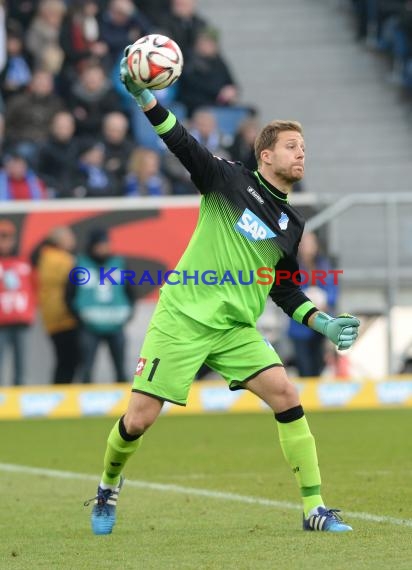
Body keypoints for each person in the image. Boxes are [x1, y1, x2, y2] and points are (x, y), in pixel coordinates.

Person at [84, 50, 360, 535]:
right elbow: (182, 143)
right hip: (184, 318)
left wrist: (323, 321)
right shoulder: (228, 179)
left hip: (234, 329)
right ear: (266, 154)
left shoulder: (291, 225)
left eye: (304, 147)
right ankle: (108, 486)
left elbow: (285, 290)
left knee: (286, 394)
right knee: (140, 420)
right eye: (292, 146)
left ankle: (314, 508)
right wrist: (147, 99)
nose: (301, 154)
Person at [67, 228, 135, 383]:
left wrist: (127, 314)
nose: (104, 248)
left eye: (106, 244)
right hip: (89, 326)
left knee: (120, 367)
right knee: (87, 368)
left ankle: (125, 402)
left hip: (115, 324)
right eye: (100, 245)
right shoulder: (80, 264)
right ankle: (85, 403)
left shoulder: (119, 263)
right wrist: (80, 317)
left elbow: (130, 291)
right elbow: (69, 294)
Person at [287, 232, 339, 378]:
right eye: (304, 244)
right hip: (300, 327)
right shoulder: (292, 267)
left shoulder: (324, 266)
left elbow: (332, 291)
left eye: (310, 244)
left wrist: (326, 302)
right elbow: (288, 292)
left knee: (319, 365)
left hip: (320, 325)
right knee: (305, 368)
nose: (307, 248)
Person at [32, 226, 79, 384]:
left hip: (52, 317)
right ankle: (61, 394)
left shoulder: (44, 257)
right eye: (69, 237)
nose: (73, 241)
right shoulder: (62, 260)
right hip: (63, 316)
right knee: (68, 360)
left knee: (63, 359)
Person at [0, 219, 36, 385]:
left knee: (22, 365)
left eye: (7, 237)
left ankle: (20, 400)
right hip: (1, 323)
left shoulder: (24, 263)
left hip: (21, 321)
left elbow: (35, 287)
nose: (4, 242)